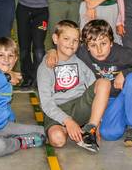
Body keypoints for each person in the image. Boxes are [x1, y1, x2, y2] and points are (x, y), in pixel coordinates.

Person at [45, 19, 132, 145]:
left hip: (125, 91)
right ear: (86, 46)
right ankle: (127, 113)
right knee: (109, 134)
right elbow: (65, 49)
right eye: (93, 45)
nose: (99, 50)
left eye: (103, 43)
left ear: (111, 42)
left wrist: (125, 73)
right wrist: (52, 52)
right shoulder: (82, 53)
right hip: (108, 100)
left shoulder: (124, 54)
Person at [37, 20, 111, 153]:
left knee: (104, 82)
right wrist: (68, 121)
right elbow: (46, 103)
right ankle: (70, 129)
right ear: (55, 39)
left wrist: (98, 121)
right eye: (66, 39)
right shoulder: (46, 66)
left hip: (80, 105)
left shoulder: (81, 61)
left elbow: (95, 89)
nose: (71, 44)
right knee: (57, 139)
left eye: (75, 40)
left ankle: (90, 129)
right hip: (58, 109)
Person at [0, 37, 46, 156]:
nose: (6, 59)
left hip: (4, 126)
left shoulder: (4, 77)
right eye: (1, 55)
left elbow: (4, 103)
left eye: (10, 55)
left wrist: (12, 121)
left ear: (15, 59)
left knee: (44, 131)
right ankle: (19, 142)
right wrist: (7, 77)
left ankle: (12, 137)